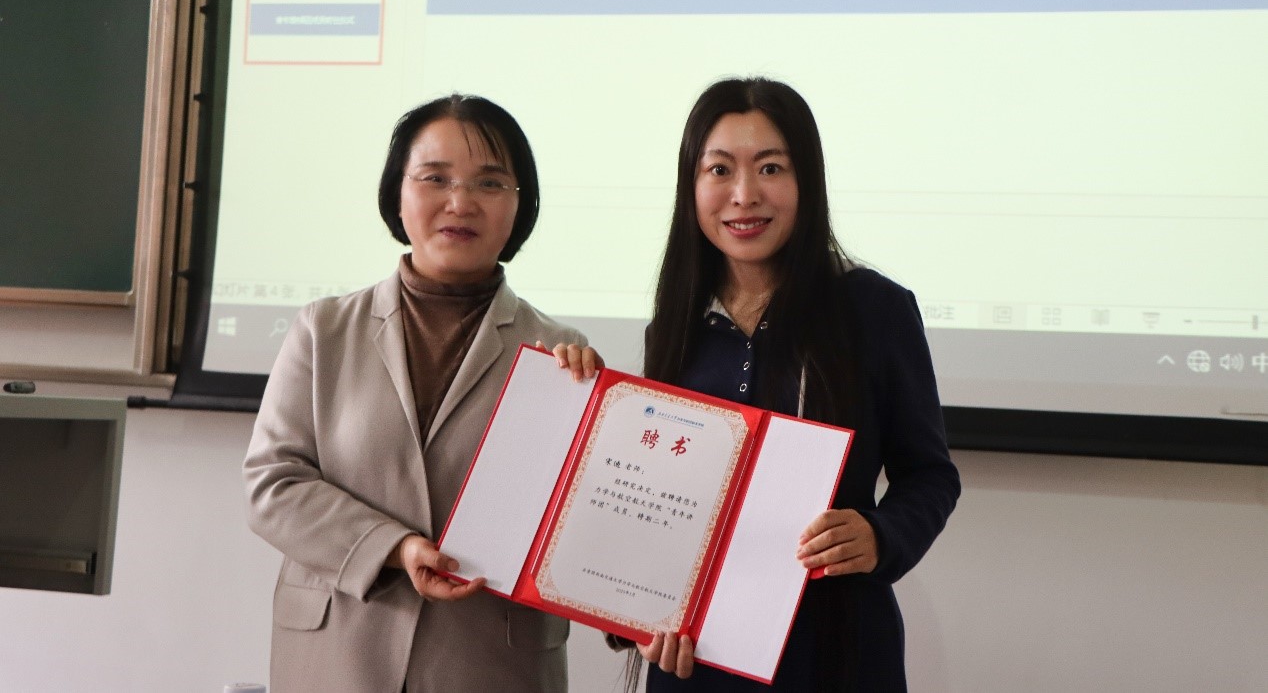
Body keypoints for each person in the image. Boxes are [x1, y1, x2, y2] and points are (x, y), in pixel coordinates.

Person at [244, 94, 601, 693]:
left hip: (489, 662)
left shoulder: (563, 353)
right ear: (397, 194)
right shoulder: (324, 330)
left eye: (490, 183)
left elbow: (584, 522)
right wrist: (396, 548)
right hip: (338, 653)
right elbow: (272, 485)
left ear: (520, 206)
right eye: (435, 178)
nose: (460, 202)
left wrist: (600, 416)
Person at [628, 77, 960, 691]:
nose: (744, 195)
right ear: (691, 186)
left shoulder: (874, 309)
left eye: (770, 168)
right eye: (719, 170)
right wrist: (638, 615)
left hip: (836, 648)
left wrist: (880, 535)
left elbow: (930, 475)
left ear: (807, 181)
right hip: (700, 657)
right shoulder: (674, 327)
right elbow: (653, 504)